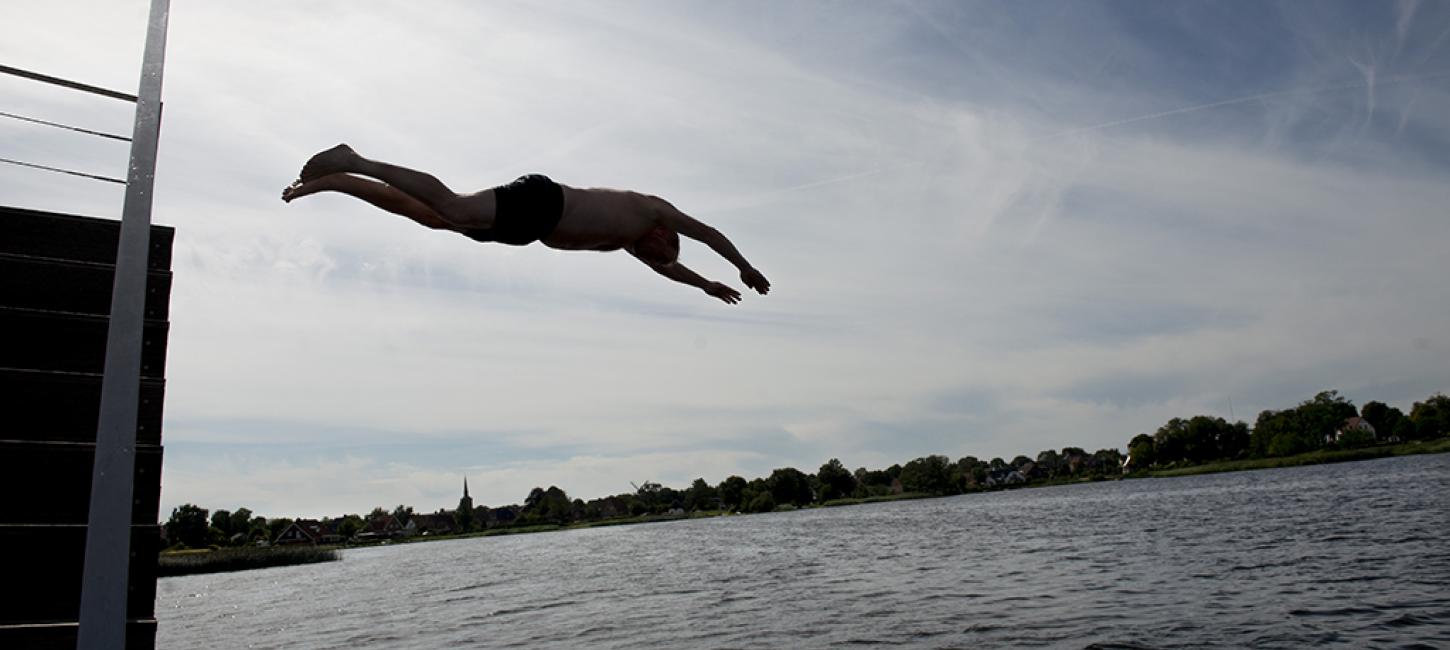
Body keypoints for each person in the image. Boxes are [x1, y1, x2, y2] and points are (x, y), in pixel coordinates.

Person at [282, 145, 770, 304]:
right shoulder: (651, 212)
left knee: (434, 220)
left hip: (528, 230)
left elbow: (670, 272)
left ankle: (339, 183)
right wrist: (743, 266)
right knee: (451, 206)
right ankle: (354, 160)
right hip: (542, 200)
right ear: (664, 237)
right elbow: (707, 233)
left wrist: (706, 284)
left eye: (654, 262)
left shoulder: (628, 242)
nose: (655, 261)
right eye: (660, 254)